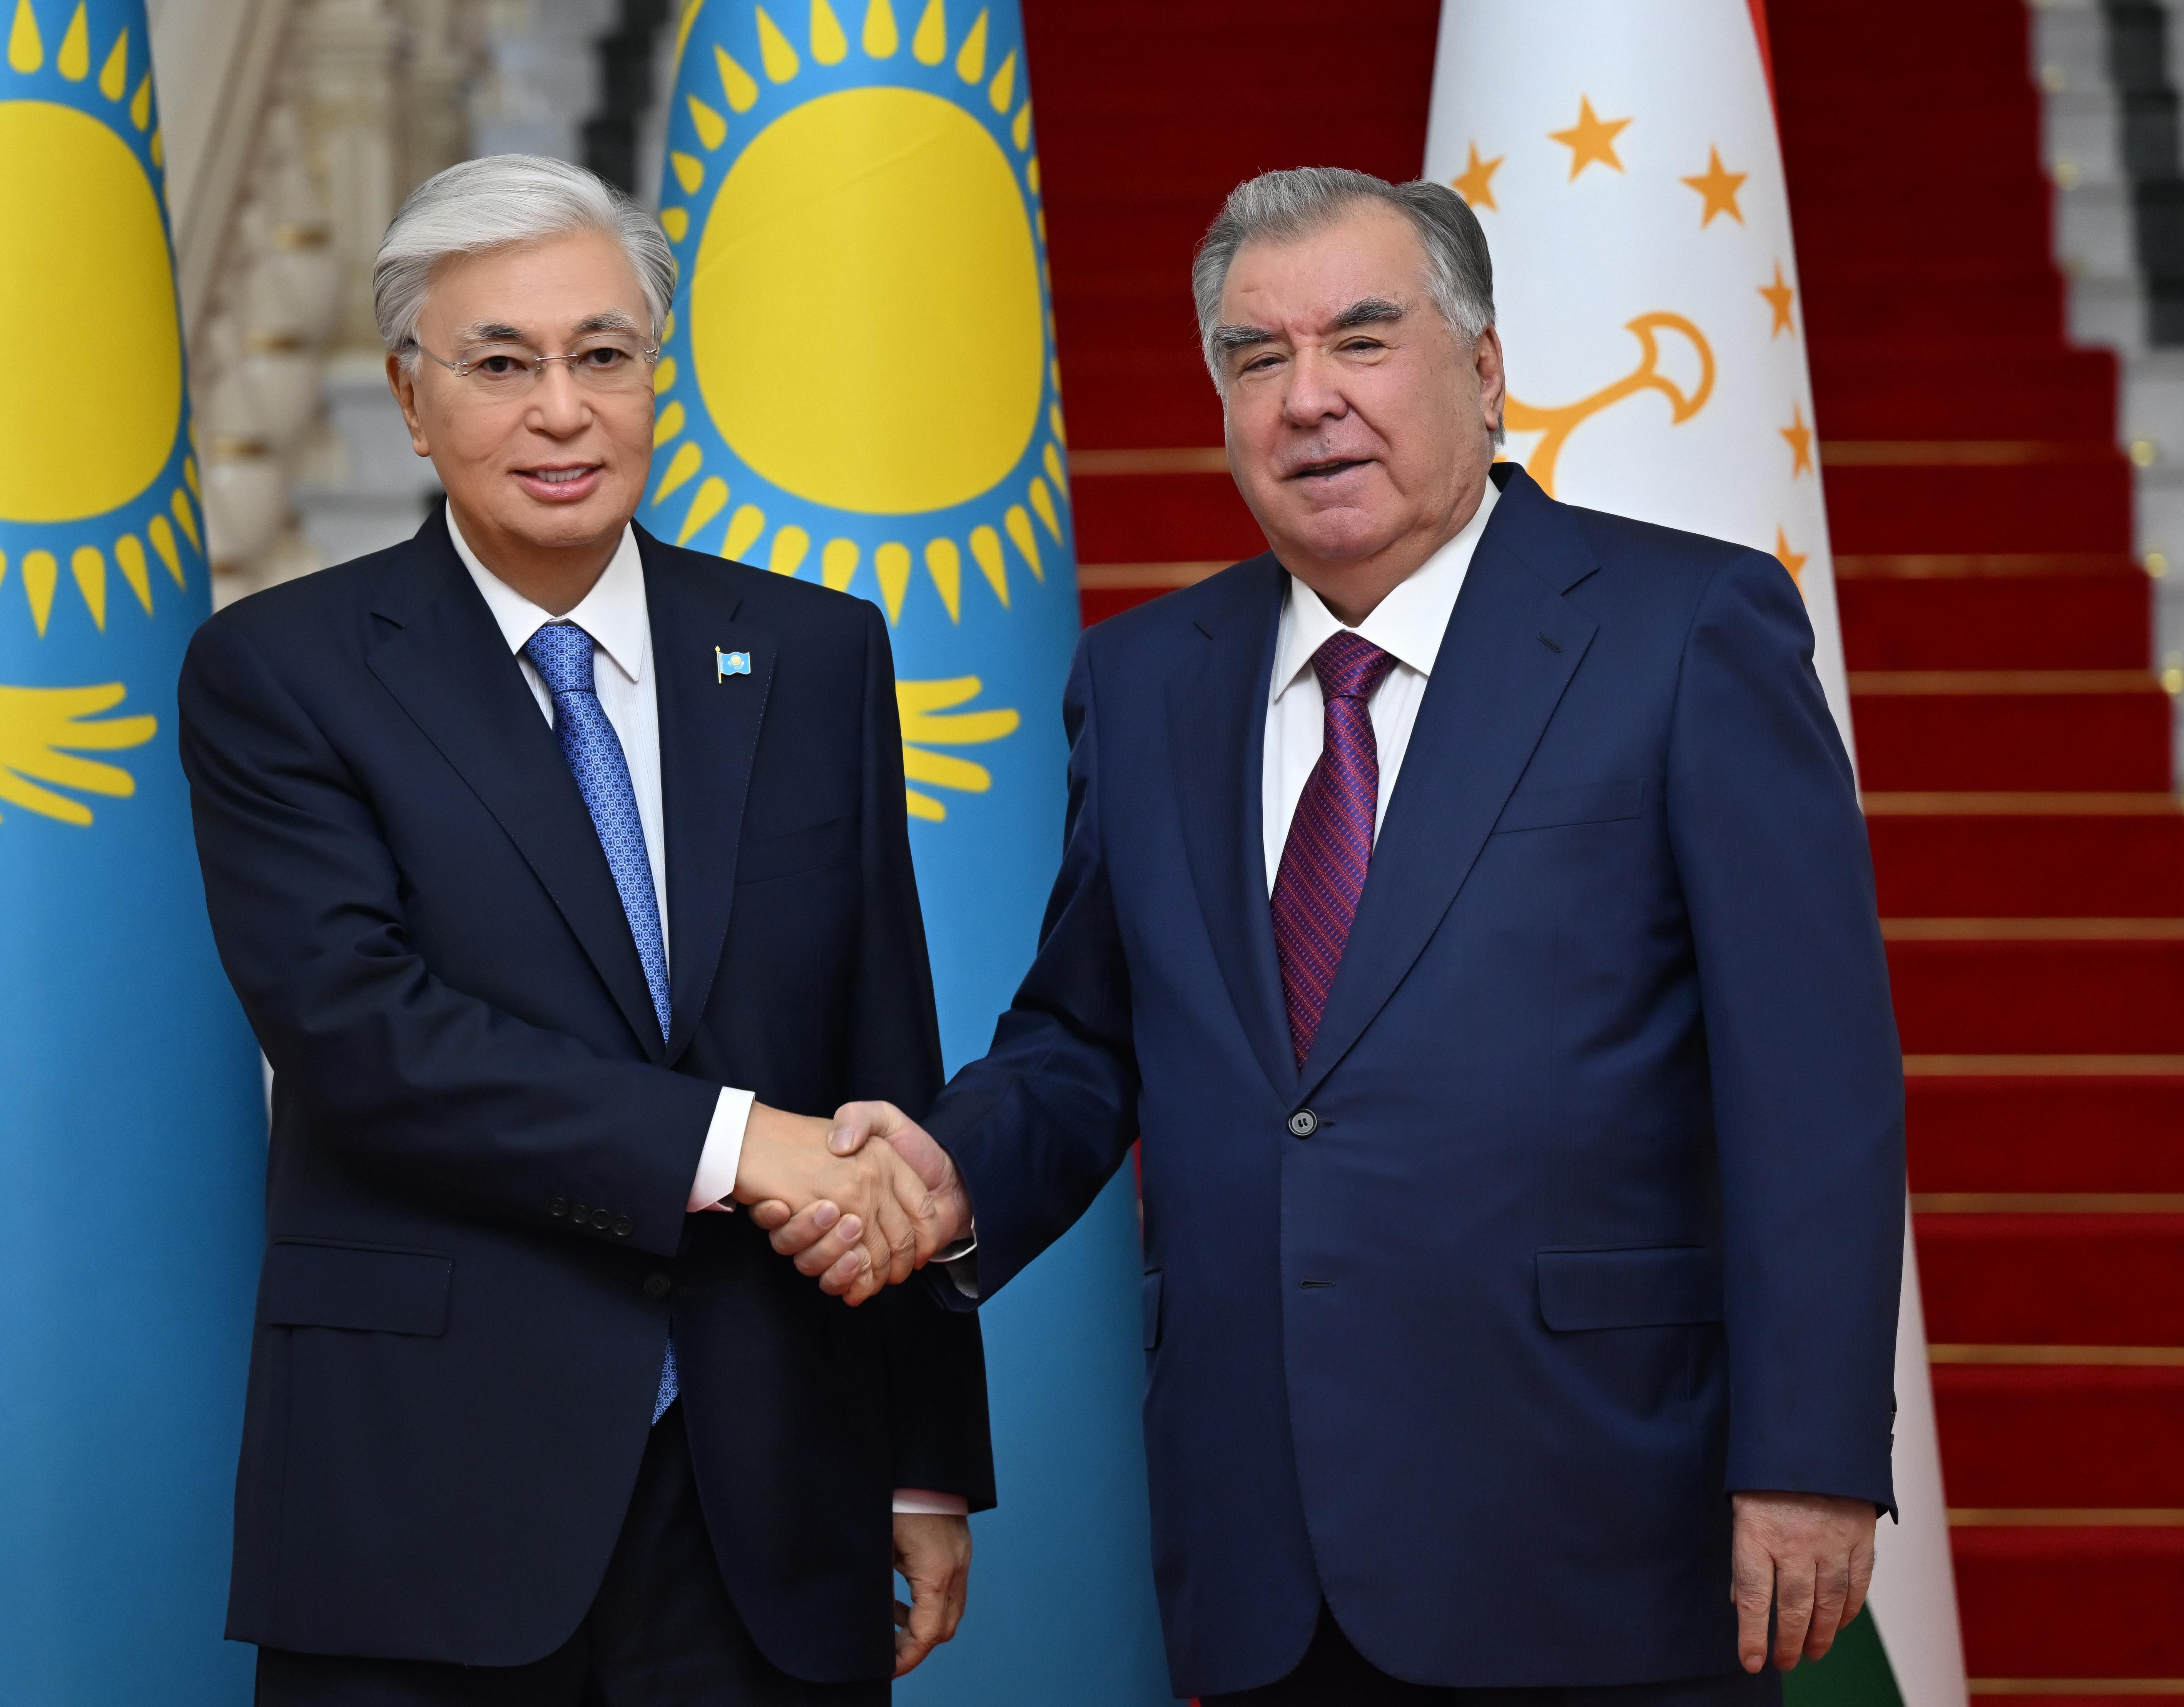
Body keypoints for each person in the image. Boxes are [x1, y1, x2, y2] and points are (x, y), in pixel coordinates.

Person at [762, 168, 1905, 1704]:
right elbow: (1086, 1034)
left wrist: (1808, 1451)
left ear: (1481, 368)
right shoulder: (1144, 677)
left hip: (1601, 1516)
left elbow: (1811, 1078)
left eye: (1361, 340)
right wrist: (948, 1173)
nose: (1307, 398)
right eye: (1257, 356)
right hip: (1262, 1540)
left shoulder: (1685, 629)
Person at [179, 155, 991, 1707]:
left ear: (652, 378)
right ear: (411, 401)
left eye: (602, 355)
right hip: (431, 1491)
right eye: (501, 365)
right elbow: (364, 1039)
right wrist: (738, 1142)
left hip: (771, 1485)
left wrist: (923, 1455)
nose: (562, 410)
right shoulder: (280, 672)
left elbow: (882, 1052)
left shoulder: (812, 650)